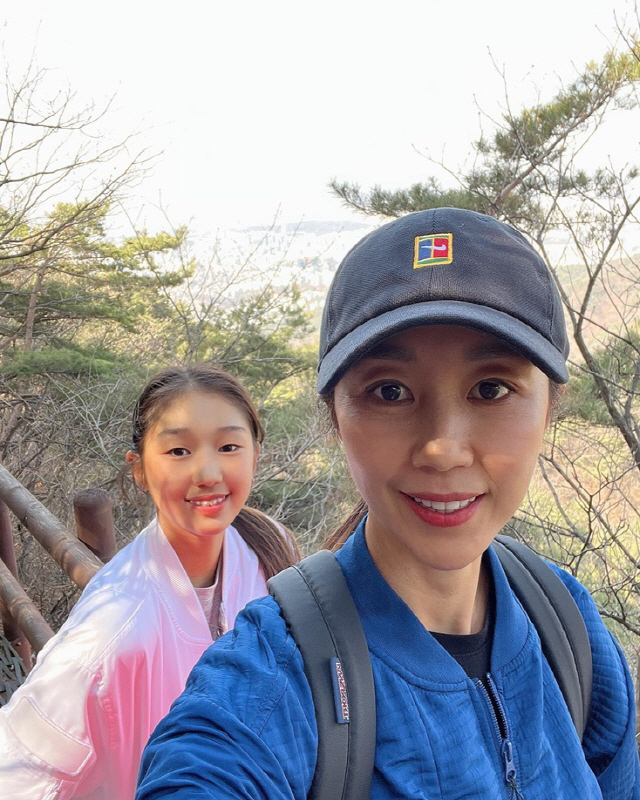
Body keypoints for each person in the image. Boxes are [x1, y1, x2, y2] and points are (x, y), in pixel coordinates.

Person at [136, 209, 640, 799]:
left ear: (550, 406)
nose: (442, 449)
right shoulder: (277, 677)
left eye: (491, 389)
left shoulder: (565, 623)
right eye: (390, 391)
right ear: (335, 417)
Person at [0, 364, 299, 799]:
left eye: (228, 446)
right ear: (138, 469)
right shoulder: (112, 631)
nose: (208, 472)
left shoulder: (269, 545)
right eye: (178, 451)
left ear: (256, 454)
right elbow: (18, 771)